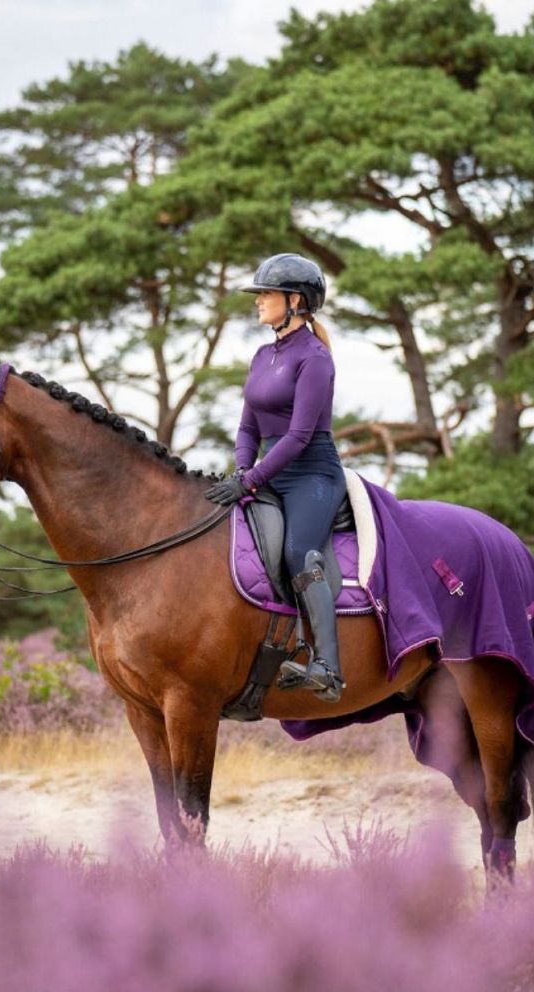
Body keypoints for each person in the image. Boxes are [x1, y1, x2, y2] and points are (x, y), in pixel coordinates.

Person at [205, 253, 347, 703]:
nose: (258, 301)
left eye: (265, 293)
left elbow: (300, 436)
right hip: (270, 470)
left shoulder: (315, 358)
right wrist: (243, 471)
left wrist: (250, 480)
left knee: (299, 555)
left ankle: (327, 667)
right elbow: (248, 428)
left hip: (312, 474)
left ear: (295, 300)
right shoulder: (263, 355)